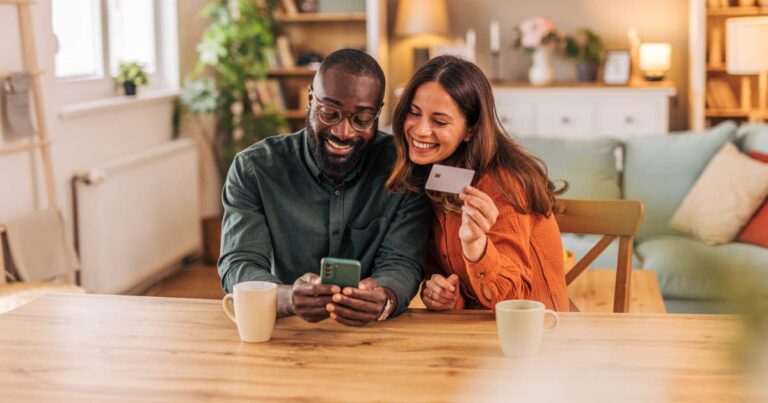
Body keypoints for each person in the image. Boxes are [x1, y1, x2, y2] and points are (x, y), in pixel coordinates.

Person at [219, 49, 431, 326]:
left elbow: (403, 262)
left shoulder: (403, 171)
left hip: (372, 333)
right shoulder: (255, 169)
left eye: (362, 119)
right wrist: (287, 298)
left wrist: (384, 299)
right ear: (310, 100)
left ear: (378, 113)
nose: (344, 132)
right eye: (330, 113)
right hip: (286, 330)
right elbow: (239, 262)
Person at [386, 55, 569, 311]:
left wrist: (476, 246)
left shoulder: (505, 182)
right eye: (414, 113)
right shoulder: (431, 175)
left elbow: (515, 301)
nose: (420, 130)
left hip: (538, 335)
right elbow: (466, 291)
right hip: (472, 336)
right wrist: (447, 296)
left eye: (439, 121)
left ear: (470, 130)